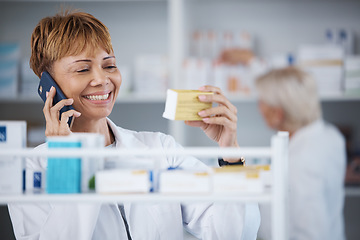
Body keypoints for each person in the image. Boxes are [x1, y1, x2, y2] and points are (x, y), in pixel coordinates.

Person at [8, 10, 260, 239]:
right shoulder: (30, 170)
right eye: (83, 69)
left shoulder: (160, 149)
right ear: (49, 86)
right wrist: (68, 160)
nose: (102, 79)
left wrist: (230, 154)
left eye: (110, 65)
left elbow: (234, 234)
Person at [254, 67, 346, 240]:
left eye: (262, 101)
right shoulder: (330, 135)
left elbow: (311, 233)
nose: (259, 107)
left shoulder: (300, 160)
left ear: (278, 112)